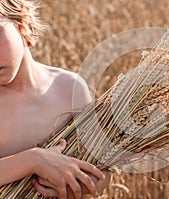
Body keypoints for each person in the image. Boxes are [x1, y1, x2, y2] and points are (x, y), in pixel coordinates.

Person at [0, 0, 110, 198]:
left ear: (21, 24)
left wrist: (86, 183)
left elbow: (102, 168)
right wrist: (33, 160)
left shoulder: (69, 88)